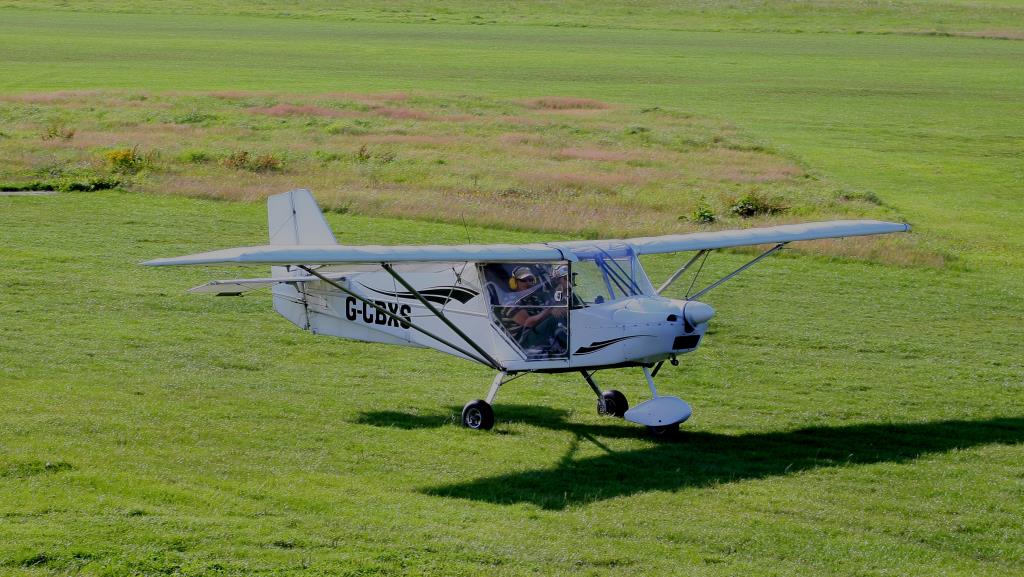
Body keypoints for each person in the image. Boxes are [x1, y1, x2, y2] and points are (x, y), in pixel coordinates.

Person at [503, 265, 568, 358]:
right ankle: (569, 349)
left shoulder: (534, 298)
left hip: (536, 336)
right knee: (553, 319)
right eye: (524, 280)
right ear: (514, 283)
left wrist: (563, 298)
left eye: (531, 280)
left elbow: (548, 311)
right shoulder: (510, 302)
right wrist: (551, 311)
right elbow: (528, 322)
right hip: (521, 343)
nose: (528, 283)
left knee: (562, 314)